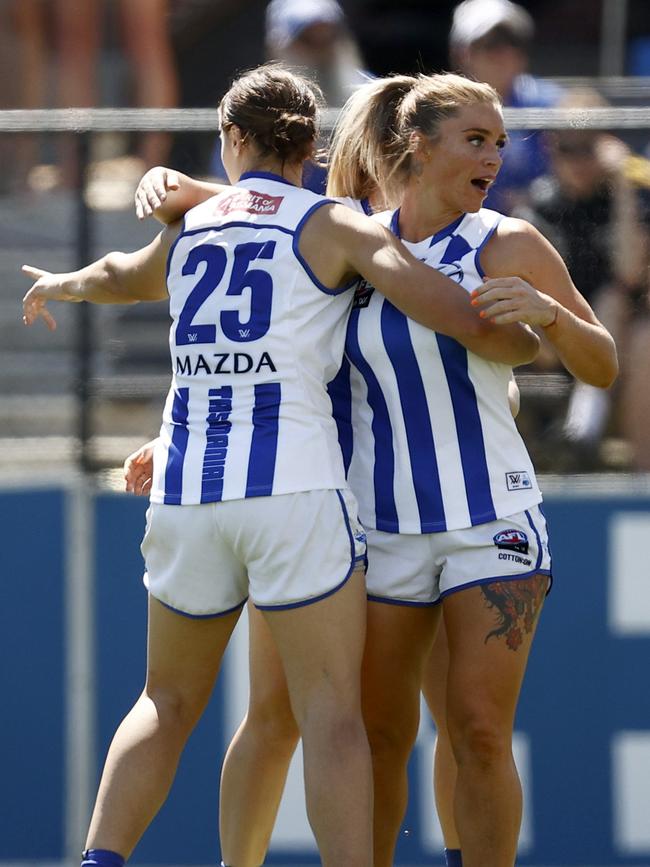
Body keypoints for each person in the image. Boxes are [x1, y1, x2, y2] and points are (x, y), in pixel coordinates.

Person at [21, 64, 539, 867]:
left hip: (192, 490)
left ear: (234, 137)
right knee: (333, 716)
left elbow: (126, 274)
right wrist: (521, 339)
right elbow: (448, 310)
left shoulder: (196, 224)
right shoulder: (340, 225)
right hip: (304, 493)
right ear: (314, 142)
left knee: (168, 699)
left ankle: (100, 859)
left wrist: (64, 282)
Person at [129, 71, 617, 867]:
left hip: (490, 516)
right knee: (379, 735)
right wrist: (174, 432)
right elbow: (268, 300)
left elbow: (601, 366)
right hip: (377, 525)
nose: (496, 155)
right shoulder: (354, 239)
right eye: (477, 139)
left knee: (480, 730)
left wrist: (553, 317)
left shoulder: (510, 241)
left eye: (500, 141)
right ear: (417, 148)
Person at [512, 87, 650, 469]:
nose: (577, 160)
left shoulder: (629, 200)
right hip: (551, 340)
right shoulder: (539, 206)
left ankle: (638, 479)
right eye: (566, 148)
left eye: (587, 147)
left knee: (626, 314)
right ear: (551, 148)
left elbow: (629, 274)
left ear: (606, 146)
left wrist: (623, 184)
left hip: (615, 346)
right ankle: (580, 421)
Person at [449, 0, 563, 214]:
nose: (505, 53)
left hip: (538, 229)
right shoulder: (443, 110)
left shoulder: (551, 102)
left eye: (513, 42)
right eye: (492, 44)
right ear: (462, 53)